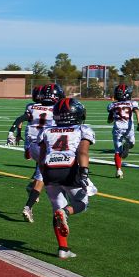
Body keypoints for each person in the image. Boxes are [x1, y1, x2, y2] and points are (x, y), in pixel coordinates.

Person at [38, 98, 96, 259]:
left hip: (49, 172)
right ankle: (66, 212)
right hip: (69, 170)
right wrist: (84, 172)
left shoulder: (47, 130)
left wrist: (45, 177)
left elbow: (41, 158)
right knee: (82, 203)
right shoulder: (82, 129)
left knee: (56, 210)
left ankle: (63, 248)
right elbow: (82, 152)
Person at [9, 84, 62, 222]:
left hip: (31, 144)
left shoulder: (32, 107)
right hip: (44, 146)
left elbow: (20, 119)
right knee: (42, 178)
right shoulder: (56, 109)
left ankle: (31, 188)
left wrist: (13, 132)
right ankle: (28, 207)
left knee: (40, 170)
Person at [106, 84, 139, 178]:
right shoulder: (132, 103)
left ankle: (118, 170)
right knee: (132, 143)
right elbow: (137, 112)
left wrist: (111, 117)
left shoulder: (112, 105)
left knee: (117, 150)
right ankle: (127, 145)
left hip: (117, 128)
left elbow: (109, 120)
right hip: (128, 128)